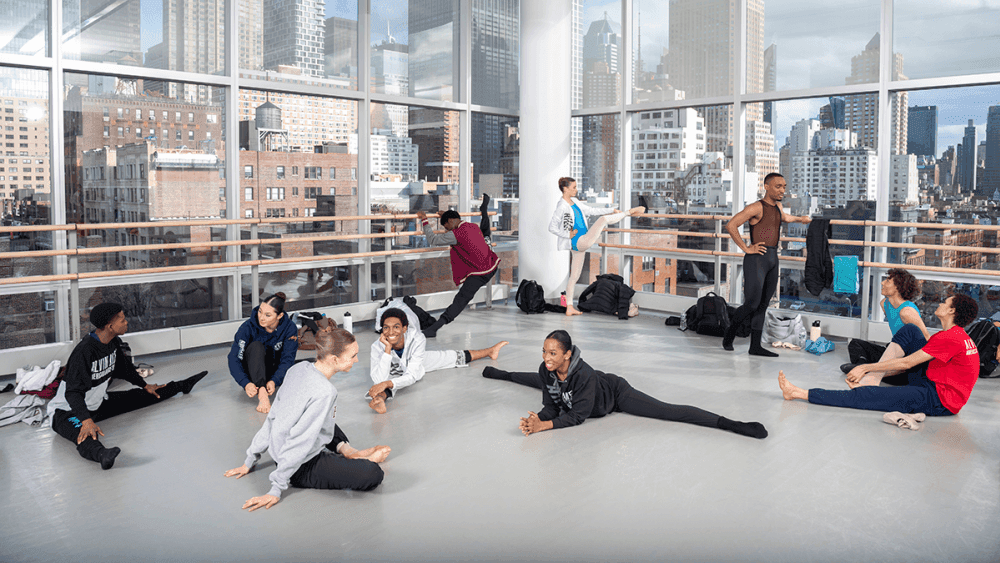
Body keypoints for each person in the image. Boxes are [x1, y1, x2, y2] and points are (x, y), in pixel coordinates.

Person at [482, 330, 768, 439]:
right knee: (534, 380)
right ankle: (501, 373)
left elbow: (576, 417)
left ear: (568, 354)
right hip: (581, 391)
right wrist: (537, 418)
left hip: (615, 394)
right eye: (544, 351)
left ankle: (730, 423)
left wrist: (545, 426)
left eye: (553, 353)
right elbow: (550, 406)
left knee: (668, 411)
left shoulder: (584, 375)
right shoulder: (547, 370)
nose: (546, 357)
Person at [224, 329, 391, 512]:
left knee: (324, 417)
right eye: (353, 356)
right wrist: (276, 488)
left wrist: (250, 460)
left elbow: (274, 417)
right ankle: (358, 459)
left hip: (283, 450)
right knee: (373, 474)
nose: (356, 360)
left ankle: (348, 450)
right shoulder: (325, 392)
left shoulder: (298, 368)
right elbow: (300, 440)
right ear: (334, 359)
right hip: (300, 466)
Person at [46, 303, 207, 470]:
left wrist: (145, 386)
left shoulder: (113, 342)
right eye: (122, 320)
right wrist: (86, 420)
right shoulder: (84, 352)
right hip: (67, 411)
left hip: (98, 403)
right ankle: (102, 455)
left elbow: (125, 370)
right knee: (85, 435)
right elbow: (72, 393)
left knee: (146, 395)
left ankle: (182, 385)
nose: (126, 323)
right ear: (109, 326)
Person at [778, 294, 980, 417]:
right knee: (911, 331)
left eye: (945, 303)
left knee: (869, 397)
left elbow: (908, 363)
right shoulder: (953, 335)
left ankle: (798, 393)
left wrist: (865, 367)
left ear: (951, 310)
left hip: (940, 400)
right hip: (933, 381)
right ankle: (872, 380)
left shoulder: (951, 338)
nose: (940, 305)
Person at [722, 173, 812, 356]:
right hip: (757, 259)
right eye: (778, 186)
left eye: (784, 186)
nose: (782, 190)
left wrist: (800, 219)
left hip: (772, 258)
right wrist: (746, 248)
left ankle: (755, 347)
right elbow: (731, 225)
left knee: (763, 305)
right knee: (752, 304)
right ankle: (729, 335)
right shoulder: (756, 207)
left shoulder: (778, 207)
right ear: (766, 186)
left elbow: (784, 218)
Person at [366, 307, 508, 413]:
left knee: (449, 357)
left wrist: (386, 383)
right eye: (386, 328)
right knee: (392, 379)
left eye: (396, 327)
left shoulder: (417, 338)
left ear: (404, 328)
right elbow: (378, 379)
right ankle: (380, 400)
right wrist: (387, 351)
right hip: (395, 369)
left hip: (418, 362)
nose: (390, 332)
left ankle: (490, 351)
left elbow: (412, 375)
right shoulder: (377, 347)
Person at [548, 177, 644, 316]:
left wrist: (612, 210)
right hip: (579, 241)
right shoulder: (561, 206)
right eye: (573, 187)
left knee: (574, 277)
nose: (576, 189)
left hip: (580, 243)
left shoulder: (574, 202)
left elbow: (591, 211)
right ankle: (629, 212)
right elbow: (552, 227)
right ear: (565, 189)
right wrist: (567, 235)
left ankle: (569, 307)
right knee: (603, 221)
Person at [417, 209, 501, 338]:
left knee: (460, 300)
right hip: (492, 264)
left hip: (479, 273)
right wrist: (446, 215)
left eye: (447, 228)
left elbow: (433, 240)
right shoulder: (473, 226)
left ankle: (434, 328)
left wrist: (424, 220)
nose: (447, 231)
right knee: (461, 299)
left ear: (451, 221)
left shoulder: (456, 234)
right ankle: (435, 326)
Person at [841, 268, 930, 380]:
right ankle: (862, 367)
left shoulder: (907, 311)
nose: (882, 282)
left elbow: (926, 339)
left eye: (887, 281)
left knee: (898, 373)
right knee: (855, 344)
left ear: (898, 287)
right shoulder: (885, 304)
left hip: (907, 358)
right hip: (895, 350)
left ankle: (869, 370)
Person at [227, 292, 298, 413]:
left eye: (268, 315)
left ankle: (266, 386)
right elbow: (234, 358)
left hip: (273, 369)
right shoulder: (247, 327)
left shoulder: (289, 328)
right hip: (252, 370)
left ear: (279, 316)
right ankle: (262, 393)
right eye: (260, 311)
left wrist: (275, 380)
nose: (261, 317)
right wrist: (245, 383)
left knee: (304, 366)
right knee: (256, 346)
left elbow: (288, 358)